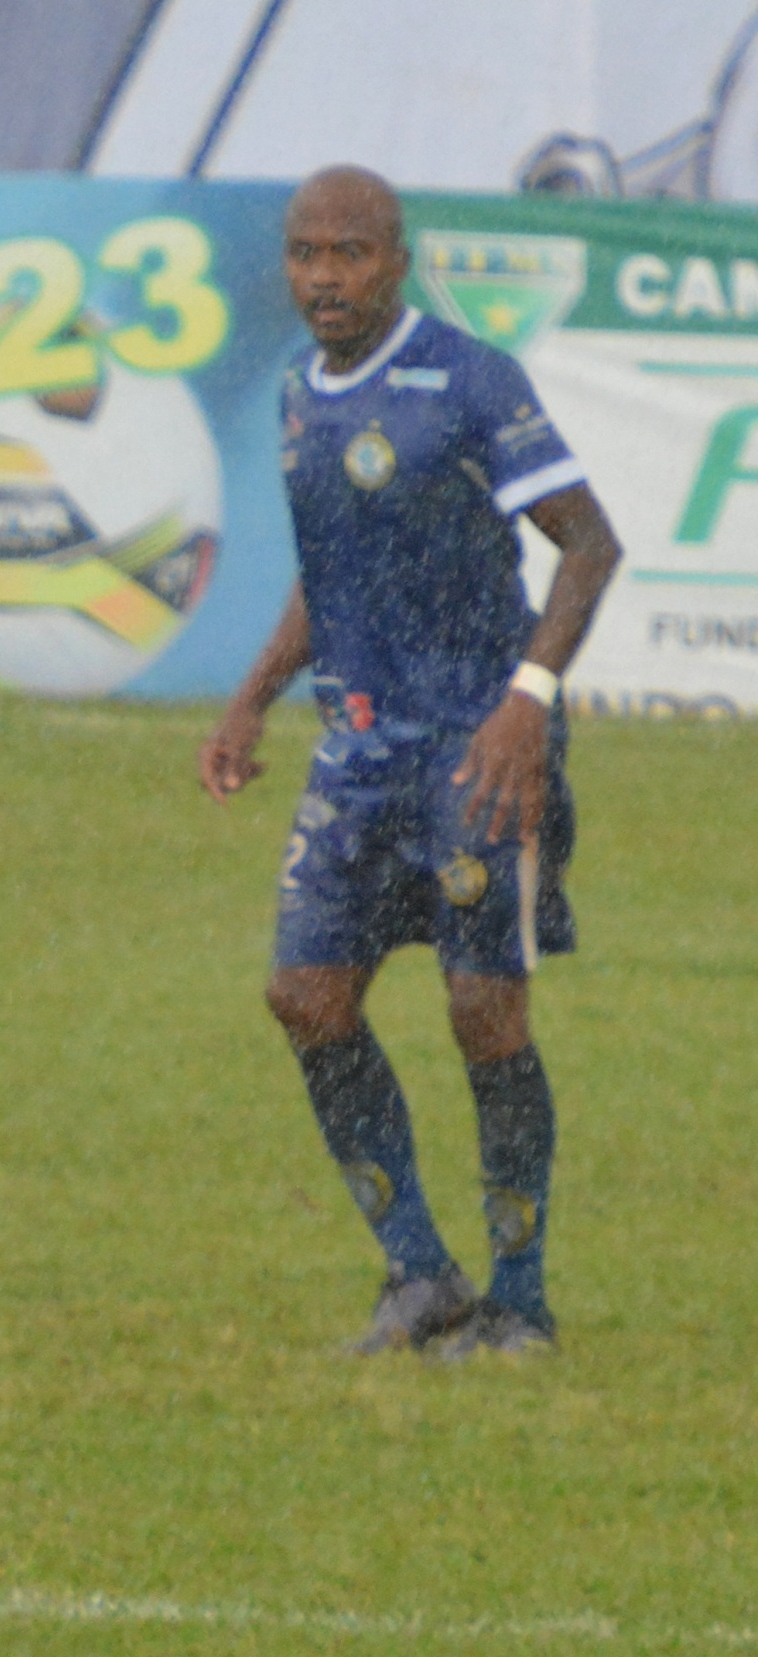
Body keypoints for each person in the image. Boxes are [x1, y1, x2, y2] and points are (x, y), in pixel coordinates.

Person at [200, 165, 621, 1357]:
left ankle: (522, 1302)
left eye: (348, 254)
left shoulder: (471, 379)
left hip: (477, 746)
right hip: (360, 744)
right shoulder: (296, 397)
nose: (322, 278)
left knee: (483, 1009)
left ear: (395, 258)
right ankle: (421, 1276)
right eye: (303, 254)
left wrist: (526, 703)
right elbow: (330, 575)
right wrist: (250, 701)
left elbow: (589, 544)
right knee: (305, 994)